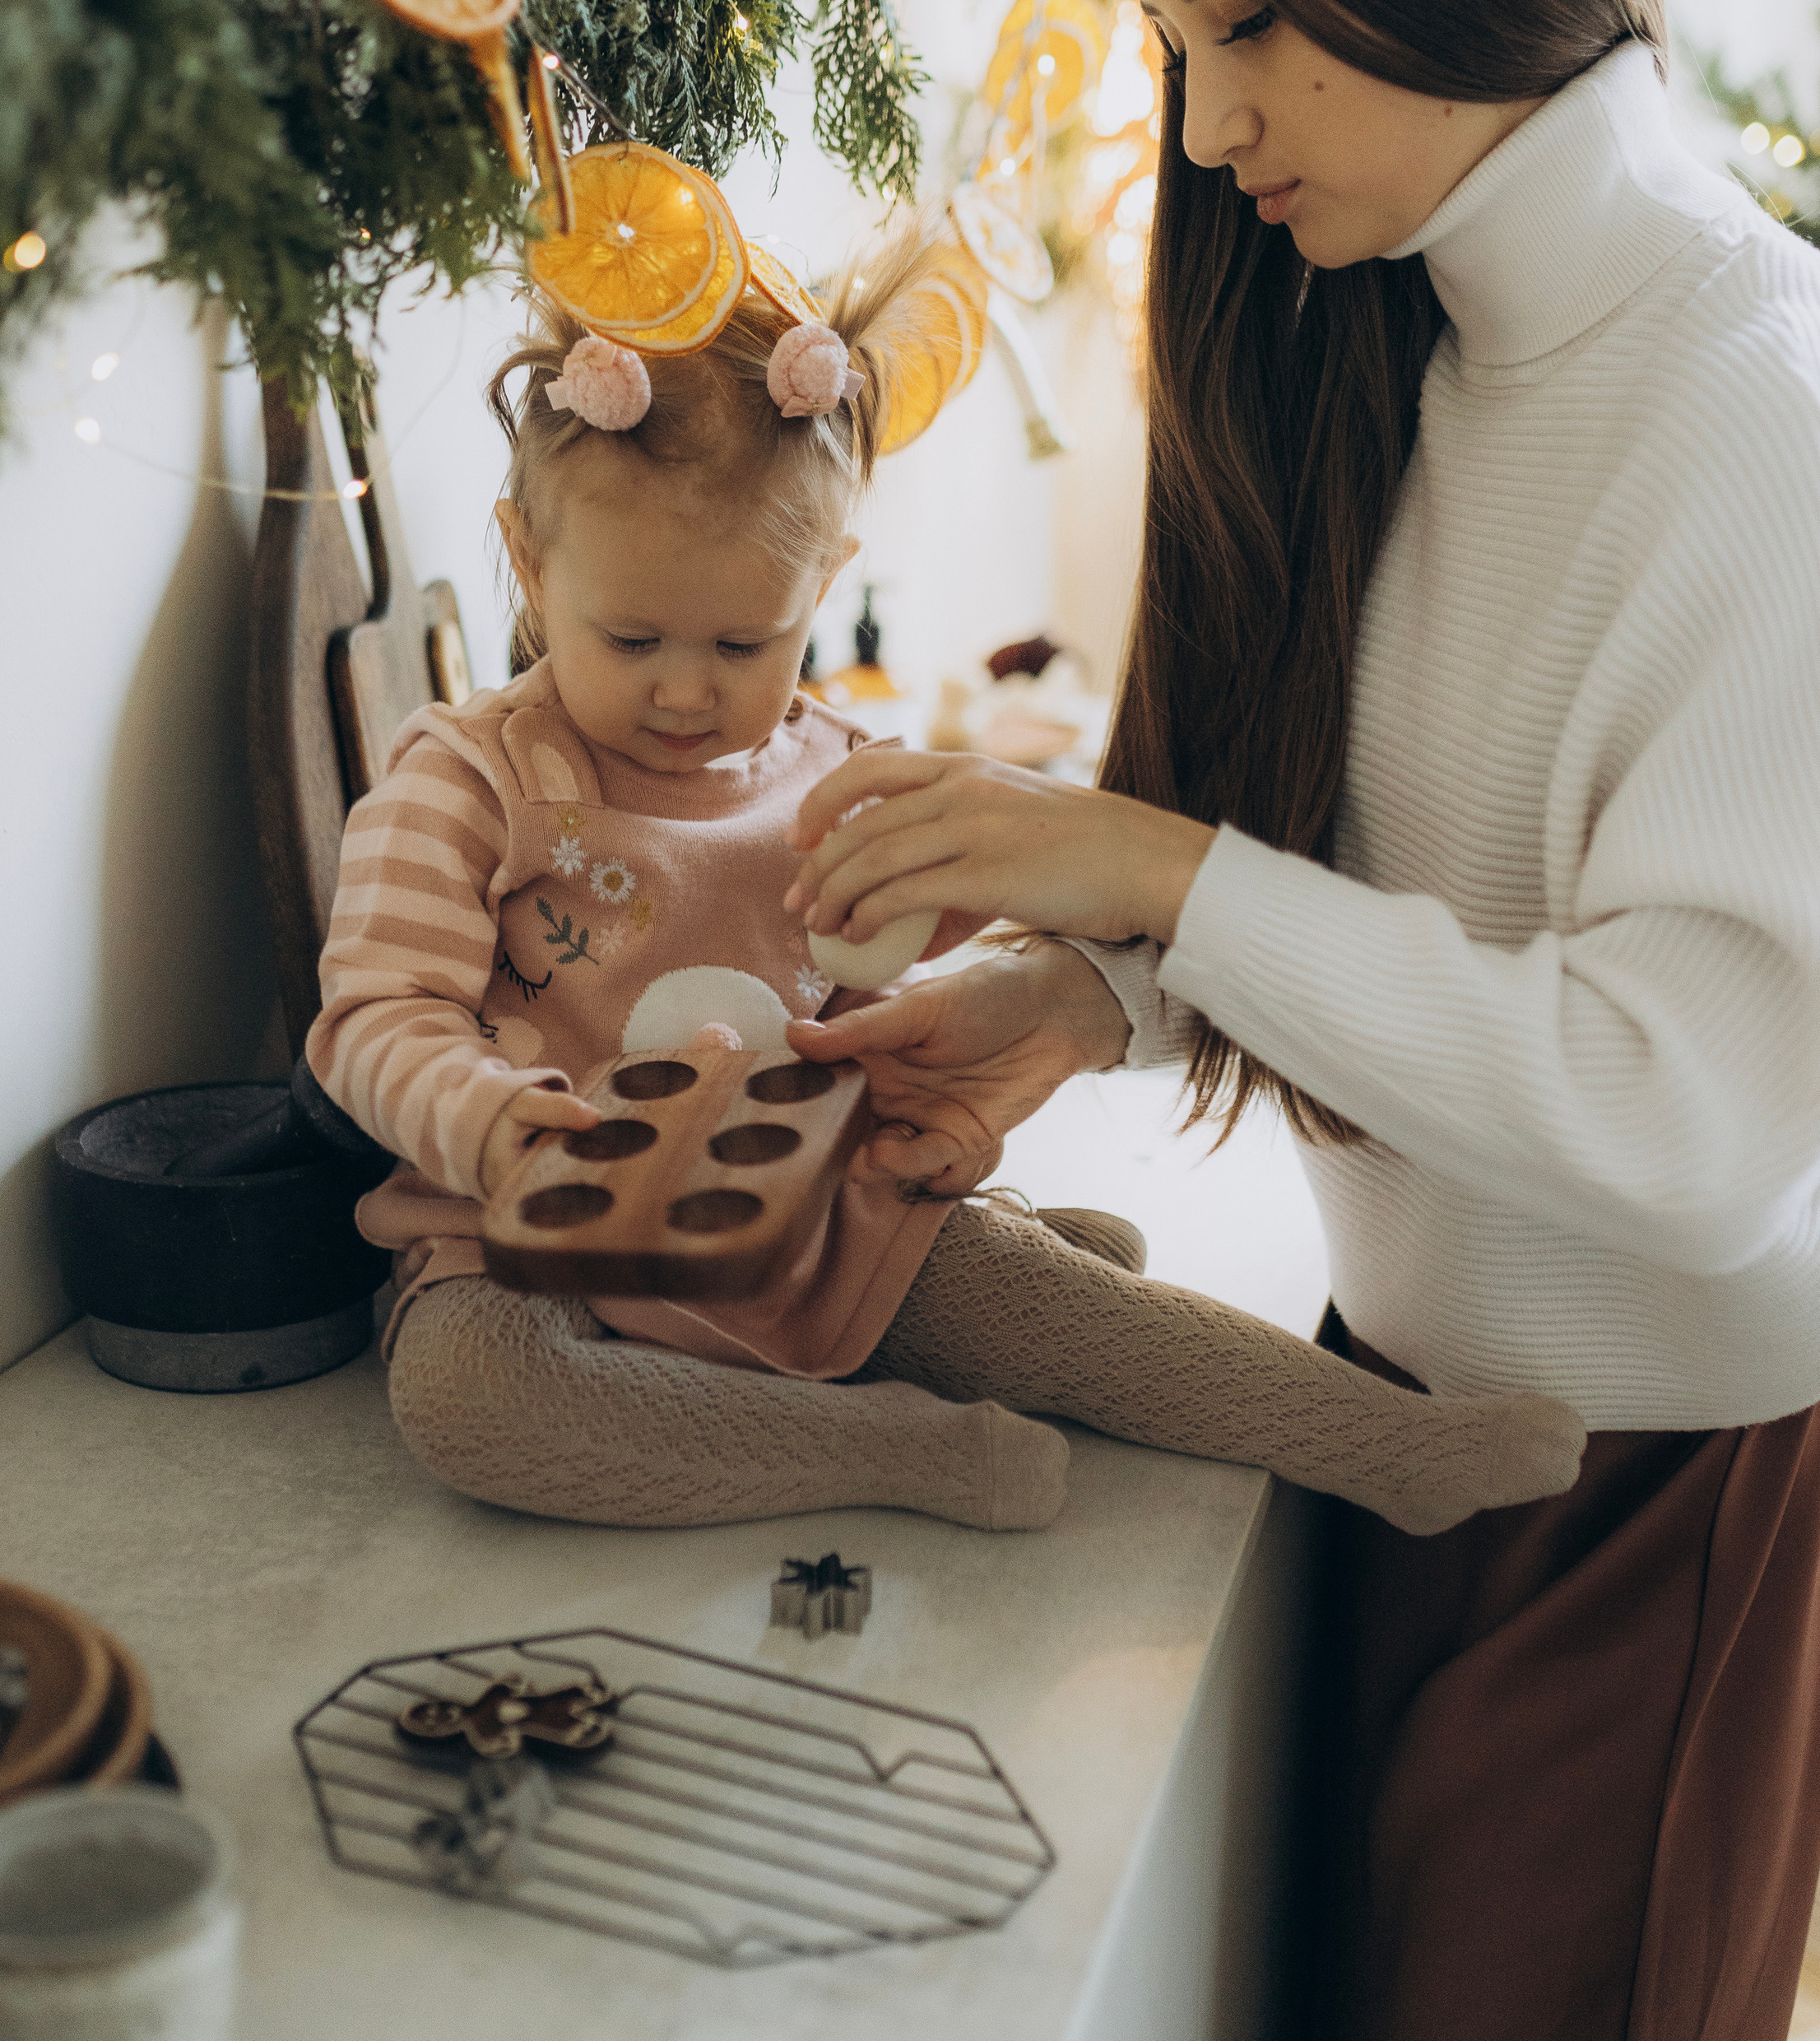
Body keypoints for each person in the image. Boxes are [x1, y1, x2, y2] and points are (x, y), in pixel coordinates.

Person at [782, 0, 1820, 2041]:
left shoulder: (1771, 405)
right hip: (1425, 1416)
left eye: (1248, 24)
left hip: (1651, 1489)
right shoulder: (1401, 344)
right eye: (1181, 35)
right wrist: (1103, 1003)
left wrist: (1168, 884)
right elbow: (1447, 899)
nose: (1207, 118)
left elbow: (1697, 1119)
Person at [305, 252, 1586, 1545]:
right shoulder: (467, 777)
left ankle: (1389, 1440)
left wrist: (1015, 918)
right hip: (523, 1234)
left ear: (826, 578)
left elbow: (1025, 944)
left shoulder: (847, 782)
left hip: (801, 1210)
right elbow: (376, 1017)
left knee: (1036, 1305)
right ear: (529, 564)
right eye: (631, 640)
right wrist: (498, 1126)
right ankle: (905, 1447)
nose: (688, 692)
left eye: (747, 645)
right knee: (469, 1400)